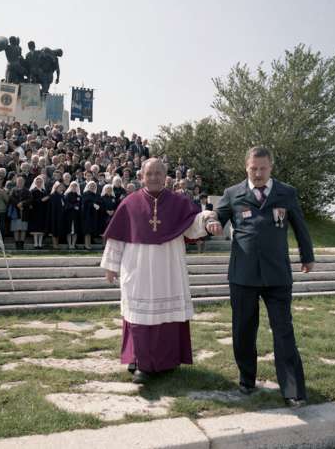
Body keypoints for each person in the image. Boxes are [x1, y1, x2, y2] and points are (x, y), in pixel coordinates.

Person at [210, 146, 314, 408]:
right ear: (246, 167)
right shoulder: (232, 193)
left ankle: (292, 390)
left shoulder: (286, 192)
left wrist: (307, 255)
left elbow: (300, 225)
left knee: (283, 330)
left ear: (271, 167)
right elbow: (217, 216)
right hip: (242, 274)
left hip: (277, 274)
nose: (258, 173)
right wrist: (212, 222)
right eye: (253, 168)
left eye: (263, 168)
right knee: (243, 329)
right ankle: (247, 379)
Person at [100, 158, 217, 384]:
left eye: (158, 173)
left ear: (166, 177)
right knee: (139, 317)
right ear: (141, 177)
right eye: (149, 173)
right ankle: (141, 364)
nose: (154, 177)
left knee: (166, 317)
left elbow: (193, 225)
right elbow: (117, 237)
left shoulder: (179, 202)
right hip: (138, 269)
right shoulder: (129, 203)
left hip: (169, 269)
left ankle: (166, 362)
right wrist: (111, 266)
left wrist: (207, 218)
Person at [8, 175, 31, 250]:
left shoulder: (27, 191)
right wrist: (18, 204)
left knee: (23, 229)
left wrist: (22, 203)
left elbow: (30, 199)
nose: (20, 182)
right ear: (16, 182)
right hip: (15, 212)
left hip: (24, 212)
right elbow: (11, 198)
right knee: (16, 229)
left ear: (24, 182)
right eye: (19, 181)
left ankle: (22, 244)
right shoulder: (13, 190)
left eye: (21, 181)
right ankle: (17, 244)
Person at [28, 176, 49, 249]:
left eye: (40, 182)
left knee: (41, 228)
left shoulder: (44, 191)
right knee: (35, 228)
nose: (39, 183)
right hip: (35, 212)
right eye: (37, 182)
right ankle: (36, 243)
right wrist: (41, 200)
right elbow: (31, 201)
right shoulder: (32, 191)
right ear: (35, 182)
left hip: (43, 212)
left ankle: (40, 244)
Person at [81, 181, 101, 250]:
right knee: (87, 231)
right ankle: (86, 245)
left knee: (90, 231)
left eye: (94, 186)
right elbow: (84, 204)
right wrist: (92, 204)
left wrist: (98, 206)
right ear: (88, 186)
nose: (92, 187)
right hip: (87, 215)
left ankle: (89, 244)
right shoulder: (85, 194)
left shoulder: (96, 195)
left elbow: (99, 202)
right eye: (91, 186)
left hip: (94, 215)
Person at [47, 181, 66, 249]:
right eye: (59, 187)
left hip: (60, 216)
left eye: (61, 187)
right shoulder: (53, 195)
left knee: (58, 230)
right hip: (54, 216)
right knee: (54, 230)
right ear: (56, 187)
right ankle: (55, 245)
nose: (61, 188)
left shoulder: (62, 195)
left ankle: (57, 244)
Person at [63, 181, 82, 249]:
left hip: (76, 216)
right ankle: (69, 244)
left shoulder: (79, 195)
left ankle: (73, 244)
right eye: (73, 186)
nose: (74, 187)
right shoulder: (67, 195)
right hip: (69, 215)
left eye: (75, 186)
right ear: (70, 187)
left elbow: (80, 204)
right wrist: (73, 206)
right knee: (69, 230)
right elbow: (66, 204)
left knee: (75, 230)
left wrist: (77, 206)